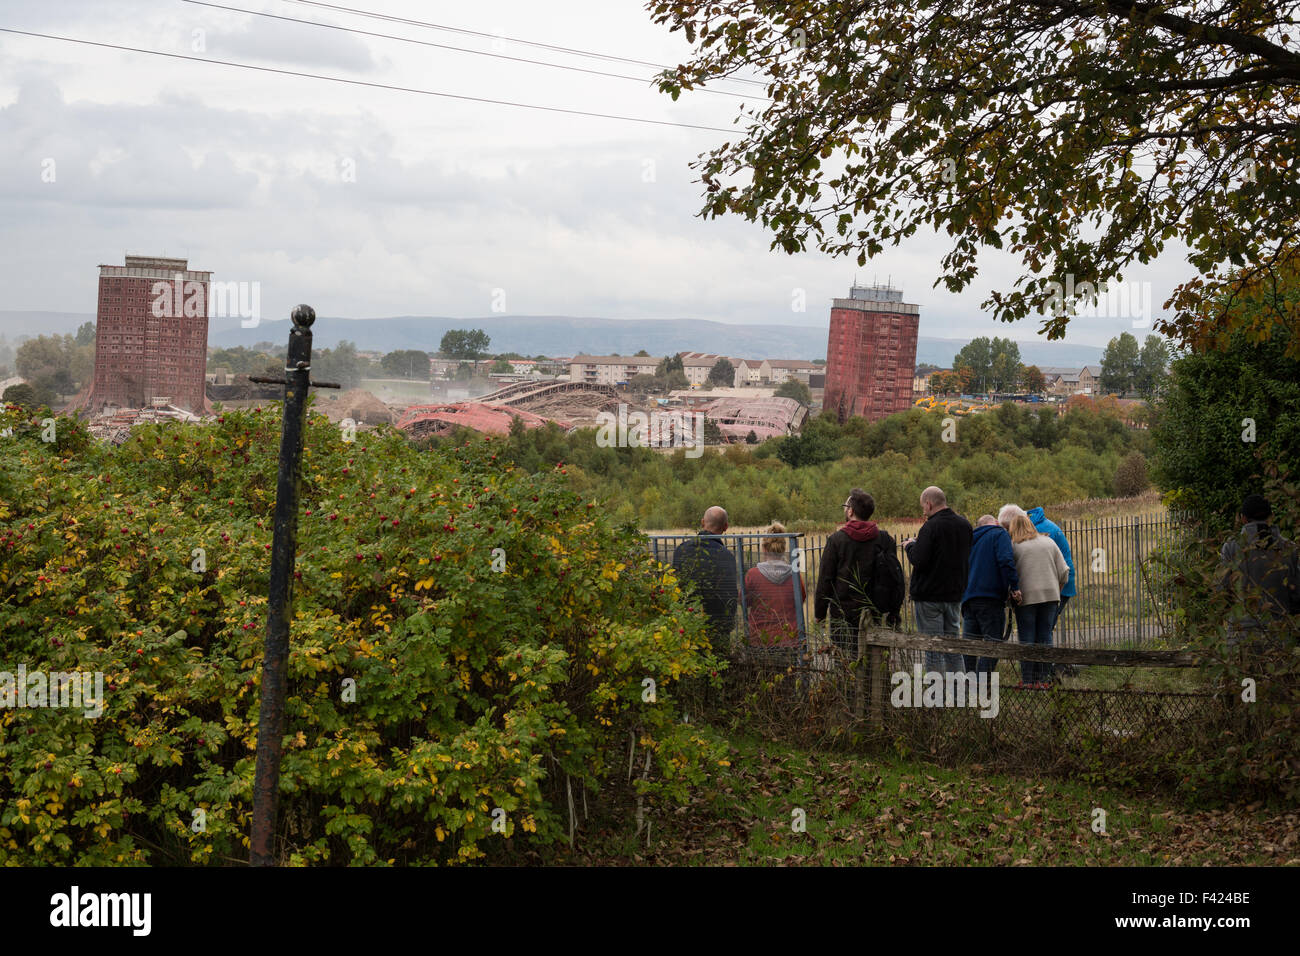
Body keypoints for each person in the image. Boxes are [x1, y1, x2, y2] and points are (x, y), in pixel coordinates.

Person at [814, 489, 902, 659]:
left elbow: (825, 580)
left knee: (846, 663)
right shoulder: (885, 539)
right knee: (875, 662)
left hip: (843, 615)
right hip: (876, 611)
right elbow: (894, 577)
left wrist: (820, 613)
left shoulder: (836, 541)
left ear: (851, 511)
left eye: (845, 506)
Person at [902, 486, 972, 675]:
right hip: (955, 593)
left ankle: (937, 697)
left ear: (929, 503)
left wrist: (910, 546)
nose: (923, 511)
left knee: (933, 649)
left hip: (930, 596)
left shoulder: (930, 526)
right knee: (953, 648)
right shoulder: (964, 525)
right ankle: (958, 694)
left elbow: (920, 560)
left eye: (923, 507)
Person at [1217, 494, 1300, 652]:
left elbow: (1222, 591)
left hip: (1240, 637)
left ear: (1243, 518)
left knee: (1244, 677)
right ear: (1271, 517)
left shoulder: (1231, 548)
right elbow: (1296, 594)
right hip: (1279, 636)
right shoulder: (1289, 549)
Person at [1001, 509, 1069, 689]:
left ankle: (1029, 681)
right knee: (1045, 637)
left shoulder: (1014, 546)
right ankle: (1044, 680)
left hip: (1026, 599)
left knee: (1027, 639)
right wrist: (1056, 590)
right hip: (1051, 596)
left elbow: (1009, 574)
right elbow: (1064, 572)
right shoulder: (1049, 542)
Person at [671, 506, 738, 657]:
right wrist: (727, 625)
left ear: (702, 522)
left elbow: (674, 587)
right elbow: (730, 595)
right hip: (717, 628)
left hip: (686, 625)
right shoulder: (725, 556)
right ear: (725, 527)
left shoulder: (681, 550)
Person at [961, 514, 1021, 676]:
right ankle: (981, 682)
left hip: (968, 599)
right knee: (993, 644)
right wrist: (1014, 587)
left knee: (970, 646)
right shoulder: (999, 534)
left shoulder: (969, 539)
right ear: (995, 523)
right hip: (990, 598)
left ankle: (969, 686)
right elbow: (1006, 561)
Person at [743, 523, 806, 667]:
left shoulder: (753, 574)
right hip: (788, 639)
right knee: (787, 684)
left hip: (759, 638)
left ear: (764, 548)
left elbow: (743, 601)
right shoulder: (795, 575)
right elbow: (801, 599)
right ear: (783, 548)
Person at [1026, 505, 1077, 633]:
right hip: (1058, 580)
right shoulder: (1039, 524)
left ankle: (1042, 652)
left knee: (1043, 630)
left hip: (1060, 580)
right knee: (1044, 629)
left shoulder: (1038, 529)